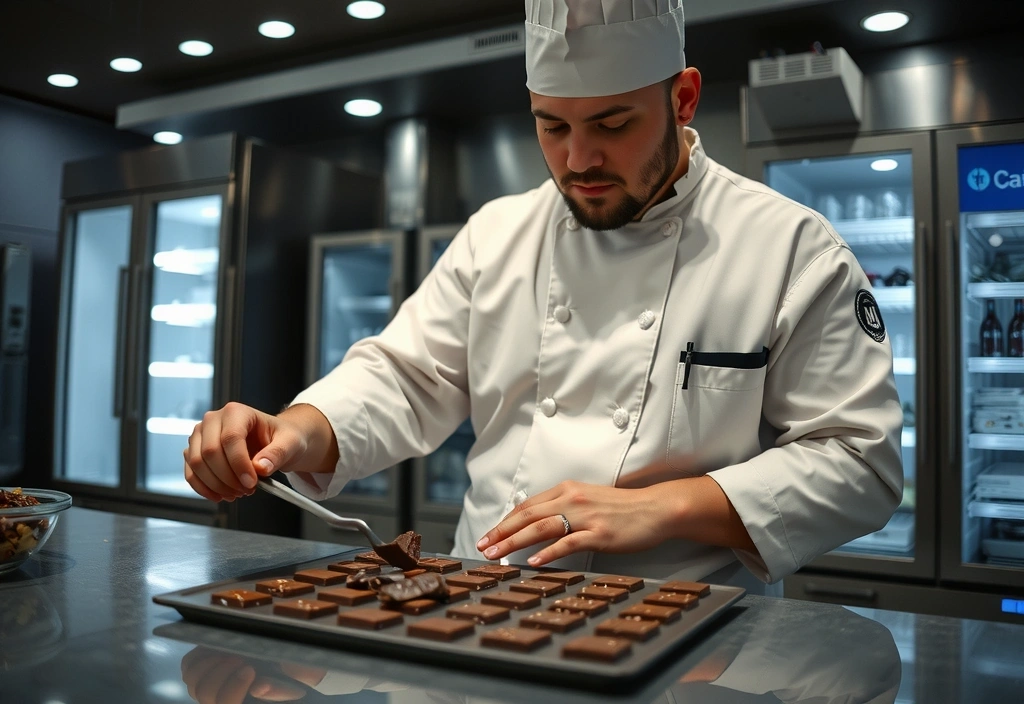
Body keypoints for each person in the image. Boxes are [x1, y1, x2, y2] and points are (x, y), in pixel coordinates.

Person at [183, 0, 903, 594]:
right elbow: (404, 375)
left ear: (682, 97)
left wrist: (664, 508)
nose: (578, 160)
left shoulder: (790, 249)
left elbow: (859, 463)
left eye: (613, 125)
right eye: (552, 126)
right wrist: (296, 430)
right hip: (480, 604)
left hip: (691, 641)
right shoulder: (498, 234)